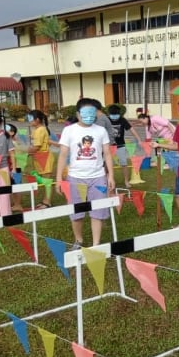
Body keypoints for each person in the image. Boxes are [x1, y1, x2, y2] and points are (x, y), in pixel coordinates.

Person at [55, 98, 115, 250]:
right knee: (76, 211)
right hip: (75, 178)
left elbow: (107, 153)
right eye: (85, 113)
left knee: (98, 211)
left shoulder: (101, 131)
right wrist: (58, 179)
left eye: (92, 113)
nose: (89, 116)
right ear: (78, 113)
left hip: (98, 177)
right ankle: (79, 240)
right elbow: (62, 155)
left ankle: (96, 244)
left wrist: (111, 176)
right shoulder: (69, 130)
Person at [107, 104, 144, 189]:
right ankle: (108, 180)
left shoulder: (122, 120)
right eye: (112, 114)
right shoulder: (106, 120)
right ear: (109, 114)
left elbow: (132, 130)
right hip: (108, 146)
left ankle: (126, 181)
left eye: (116, 114)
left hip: (120, 145)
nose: (114, 116)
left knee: (124, 164)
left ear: (119, 114)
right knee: (107, 164)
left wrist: (138, 139)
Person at [27, 109, 54, 208]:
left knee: (47, 181)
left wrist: (27, 152)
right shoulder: (37, 130)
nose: (29, 121)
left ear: (37, 120)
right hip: (39, 157)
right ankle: (44, 200)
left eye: (30, 119)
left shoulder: (40, 130)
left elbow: (36, 146)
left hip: (44, 158)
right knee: (42, 180)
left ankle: (47, 202)